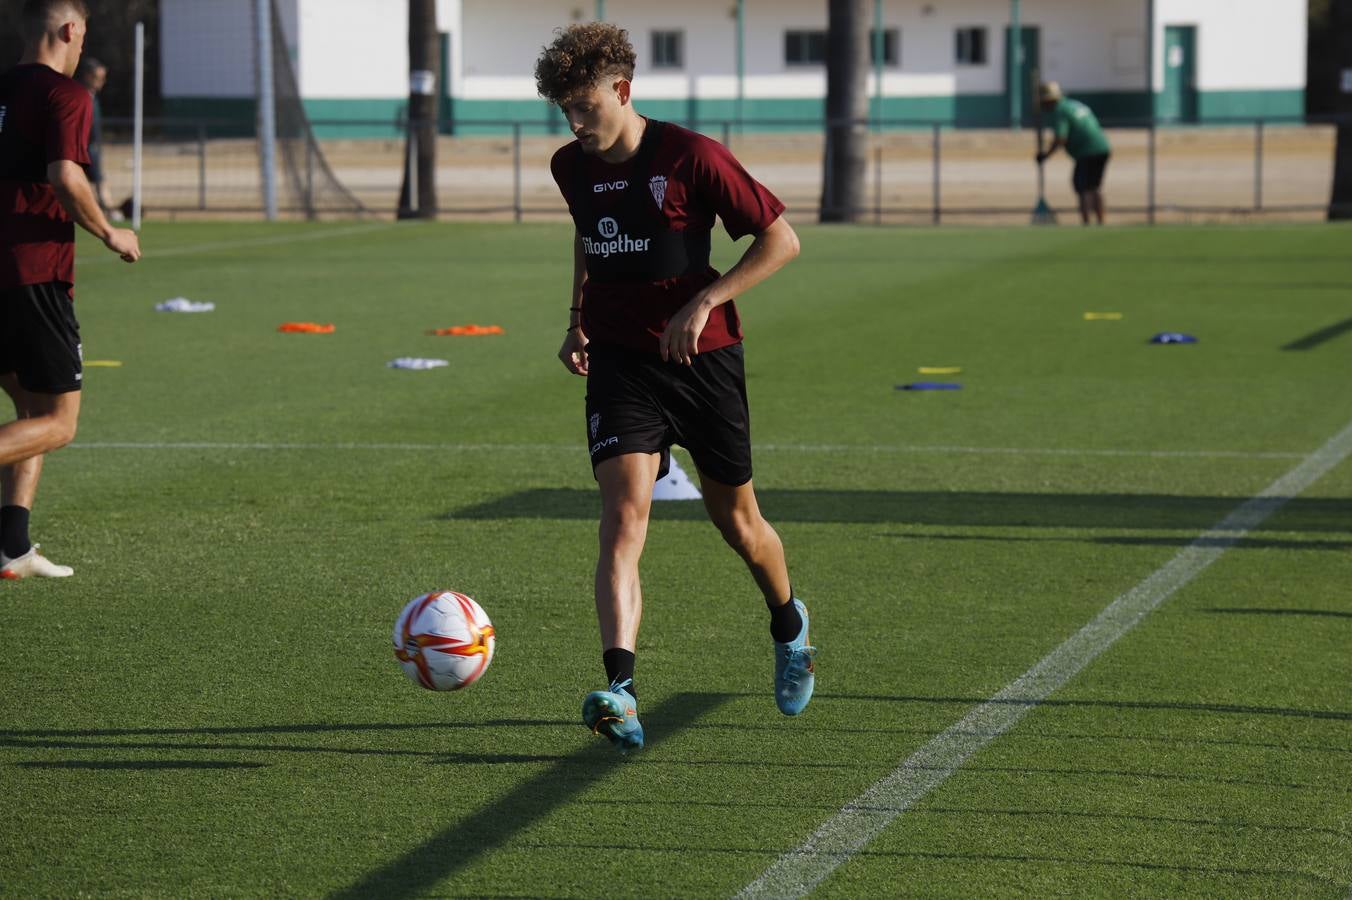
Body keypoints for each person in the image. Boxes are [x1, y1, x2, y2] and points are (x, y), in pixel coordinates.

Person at [535, 23, 814, 752]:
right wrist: (576, 320)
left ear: (623, 92)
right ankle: (620, 691)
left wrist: (707, 300)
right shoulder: (572, 165)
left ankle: (789, 624)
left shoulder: (693, 156)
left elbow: (781, 240)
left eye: (584, 105)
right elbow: (587, 235)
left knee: (739, 525)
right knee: (623, 519)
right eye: (563, 108)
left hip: (703, 365)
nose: (573, 122)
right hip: (621, 364)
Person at [0, 0, 141, 580]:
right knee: (59, 422)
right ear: (69, 29)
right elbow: (65, 174)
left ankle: (11, 547)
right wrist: (110, 231)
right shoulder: (67, 94)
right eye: (82, 36)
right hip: (32, 274)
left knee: (28, 406)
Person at [1036, 81, 1111, 225]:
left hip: (1087, 151)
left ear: (1048, 100)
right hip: (1102, 147)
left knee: (1082, 187)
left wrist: (1045, 155)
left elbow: (1060, 138)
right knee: (1094, 186)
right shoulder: (1072, 104)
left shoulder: (1060, 110)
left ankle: (1086, 222)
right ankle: (1101, 222)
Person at [75, 55, 111, 214]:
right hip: (82, 148)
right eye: (98, 78)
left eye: (103, 78)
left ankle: (107, 210)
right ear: (88, 76)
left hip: (93, 148)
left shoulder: (93, 97)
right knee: (85, 184)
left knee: (99, 181)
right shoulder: (78, 96)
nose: (102, 82)